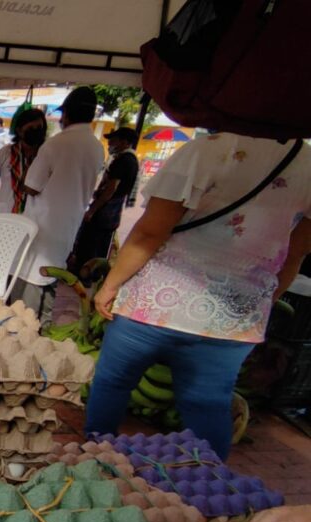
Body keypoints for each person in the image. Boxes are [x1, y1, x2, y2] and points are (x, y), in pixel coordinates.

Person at [86, 133, 311, 459]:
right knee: (208, 403)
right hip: (234, 315)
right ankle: (211, 485)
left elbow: (149, 233)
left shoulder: (208, 149)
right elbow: (297, 252)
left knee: (113, 383)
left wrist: (109, 287)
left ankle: (94, 458)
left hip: (155, 302)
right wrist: (261, 300)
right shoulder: (306, 163)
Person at [15, 86, 105, 320]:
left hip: (43, 224)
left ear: (66, 115)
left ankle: (25, 328)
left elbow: (31, 186)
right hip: (69, 224)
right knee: (51, 276)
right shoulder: (96, 147)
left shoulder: (55, 144)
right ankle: (38, 326)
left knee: (31, 280)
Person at [68, 126, 140, 274]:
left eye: (113, 140)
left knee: (90, 243)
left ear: (125, 142)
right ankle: (91, 274)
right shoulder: (131, 160)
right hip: (112, 210)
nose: (110, 144)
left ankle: (84, 274)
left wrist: (92, 210)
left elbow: (110, 189)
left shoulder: (123, 161)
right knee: (100, 244)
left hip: (106, 209)